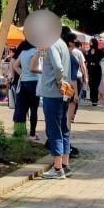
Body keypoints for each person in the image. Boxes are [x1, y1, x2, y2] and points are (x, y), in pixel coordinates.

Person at [38, 28, 73, 179]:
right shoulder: (63, 44)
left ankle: (57, 168)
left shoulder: (52, 45)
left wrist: (59, 81)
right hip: (64, 92)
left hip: (53, 92)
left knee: (54, 129)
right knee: (64, 127)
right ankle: (65, 164)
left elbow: (58, 67)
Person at [12, 39, 41, 137]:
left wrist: (22, 74)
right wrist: (43, 72)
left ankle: (20, 132)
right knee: (34, 109)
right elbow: (33, 68)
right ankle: (32, 133)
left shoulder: (23, 52)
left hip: (23, 82)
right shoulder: (36, 52)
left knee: (22, 108)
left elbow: (15, 65)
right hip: (34, 82)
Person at [65, 30, 88, 127]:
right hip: (72, 82)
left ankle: (67, 120)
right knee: (72, 101)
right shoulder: (74, 55)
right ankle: (68, 123)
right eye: (75, 41)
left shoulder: (60, 52)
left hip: (63, 83)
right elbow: (74, 76)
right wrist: (76, 95)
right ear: (70, 43)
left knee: (66, 102)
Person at [87, 40, 103, 105]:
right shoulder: (88, 51)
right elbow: (88, 60)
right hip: (90, 69)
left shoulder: (99, 51)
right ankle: (92, 99)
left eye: (91, 42)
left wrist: (93, 54)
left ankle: (95, 100)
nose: (90, 44)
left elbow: (98, 60)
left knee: (96, 85)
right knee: (91, 85)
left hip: (97, 69)